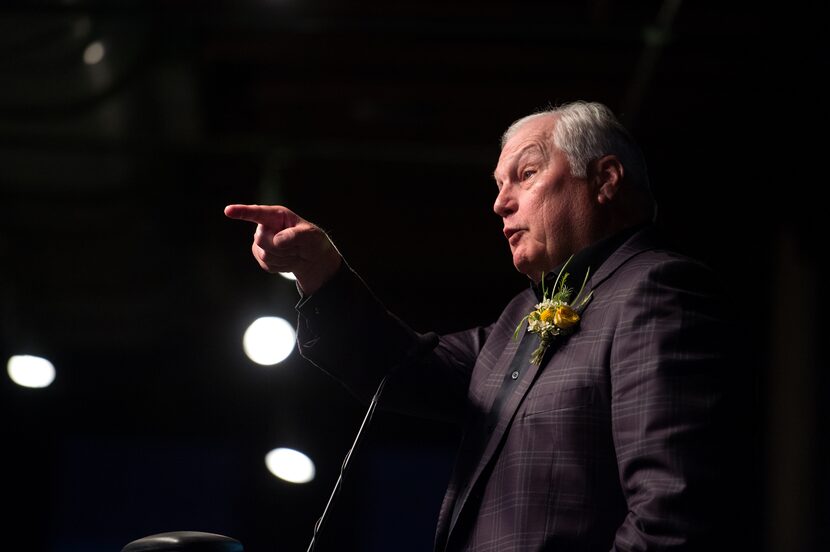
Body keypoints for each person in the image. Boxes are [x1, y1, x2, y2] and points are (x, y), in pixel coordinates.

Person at [225, 101, 737, 551]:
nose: (500, 203)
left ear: (604, 180)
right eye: (498, 186)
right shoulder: (519, 318)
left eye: (527, 173)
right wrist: (320, 273)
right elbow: (402, 370)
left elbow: (673, 512)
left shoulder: (657, 290)